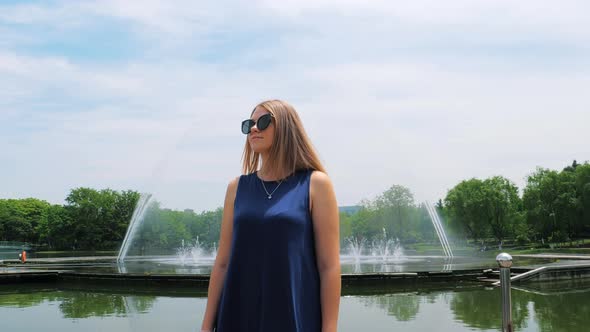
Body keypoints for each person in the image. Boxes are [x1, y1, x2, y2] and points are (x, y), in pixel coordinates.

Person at [200, 100, 341, 332]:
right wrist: (206, 326)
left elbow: (329, 267)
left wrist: (330, 328)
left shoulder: (315, 184)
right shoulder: (237, 188)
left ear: (286, 128)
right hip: (237, 313)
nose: (254, 128)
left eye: (264, 122)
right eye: (249, 124)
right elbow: (223, 263)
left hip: (294, 314)